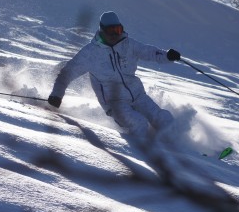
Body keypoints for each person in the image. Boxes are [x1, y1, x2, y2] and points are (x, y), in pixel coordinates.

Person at [48, 11, 181, 139]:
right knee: (139, 123)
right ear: (102, 31)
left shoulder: (128, 44)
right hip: (115, 103)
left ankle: (182, 152)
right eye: (110, 31)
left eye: (117, 30)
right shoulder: (90, 53)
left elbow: (150, 52)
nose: (114, 35)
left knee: (164, 120)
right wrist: (57, 95)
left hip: (138, 95)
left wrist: (168, 56)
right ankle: (142, 154)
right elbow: (67, 73)